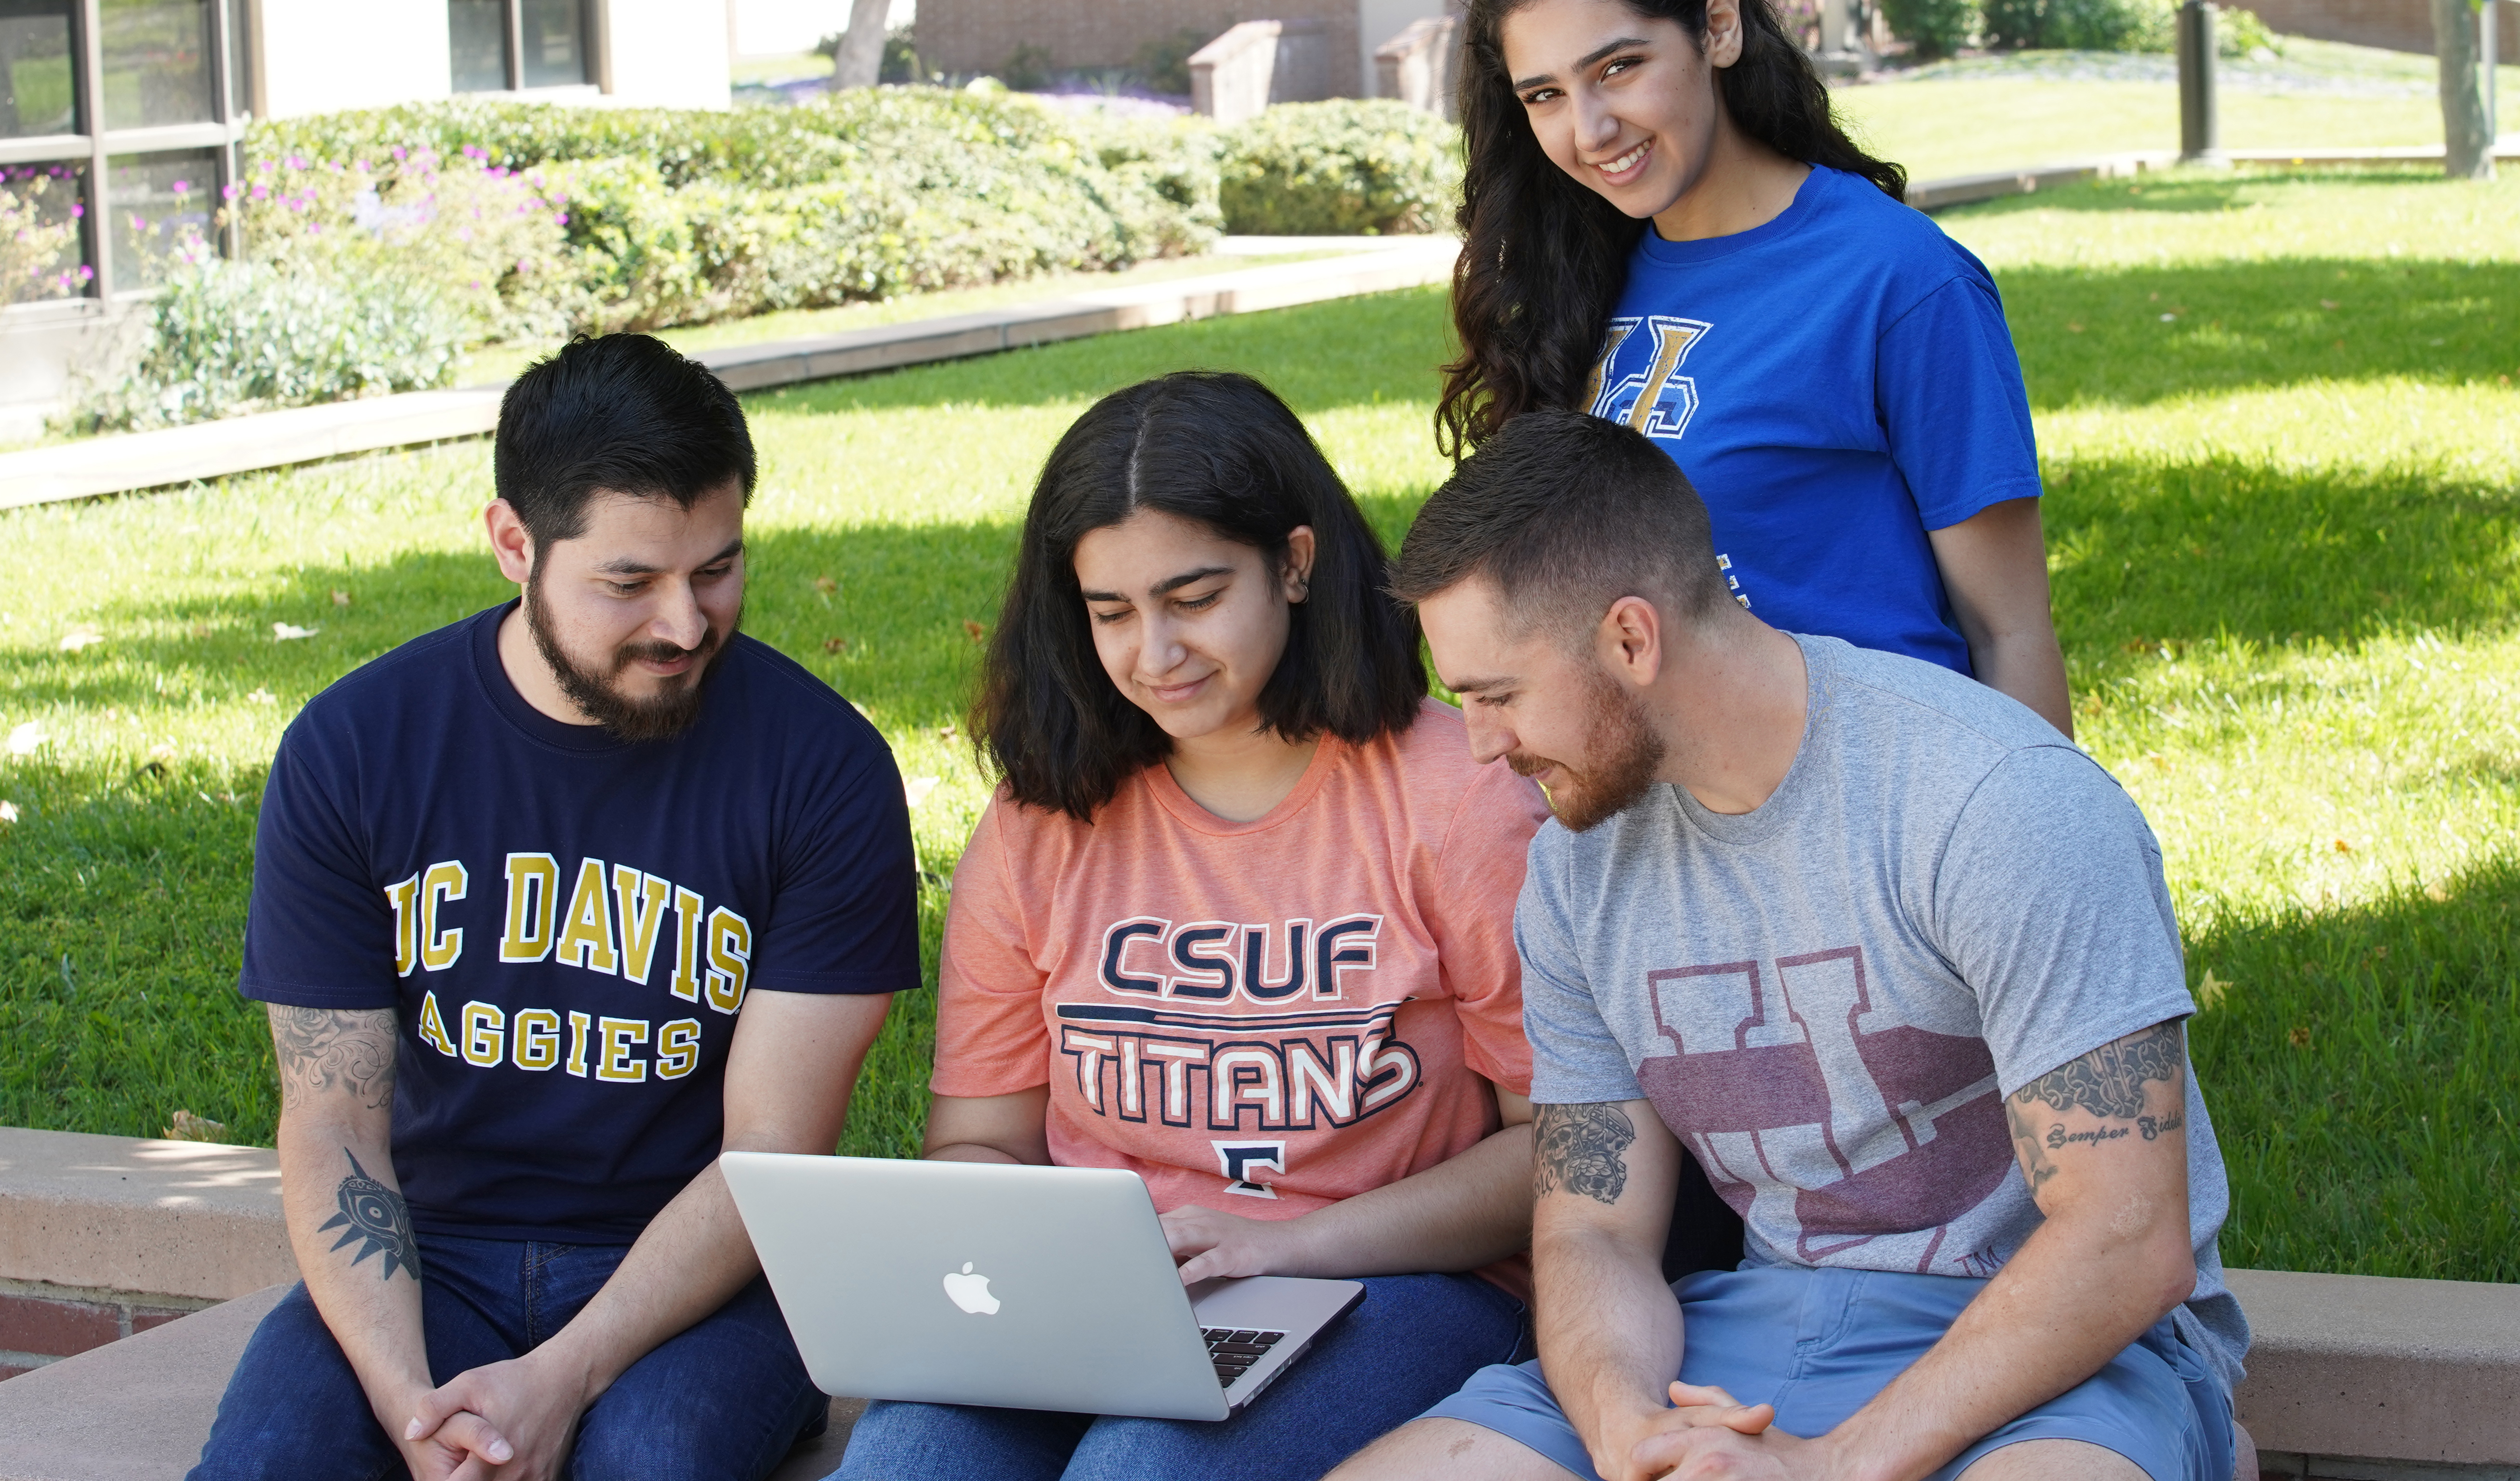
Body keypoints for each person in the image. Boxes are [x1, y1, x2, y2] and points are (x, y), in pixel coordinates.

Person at [1334, 409, 2250, 1481]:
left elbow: (2125, 1242)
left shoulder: (1994, 803)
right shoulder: (1579, 871)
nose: (1482, 745)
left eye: (1498, 696)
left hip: (2055, 1359)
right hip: (1753, 1329)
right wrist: (1630, 1427)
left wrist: (1834, 1467)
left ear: (1631, 639)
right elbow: (1595, 1230)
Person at [196, 333, 924, 1481]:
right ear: (513, 545)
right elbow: (333, 1121)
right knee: (273, 1463)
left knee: (647, 1461)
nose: (685, 624)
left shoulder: (822, 767)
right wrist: (406, 1404)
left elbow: (772, 1154)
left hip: (710, 1278)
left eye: (718, 568)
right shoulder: (356, 749)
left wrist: (561, 1380)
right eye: (629, 582)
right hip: (433, 1258)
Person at [836, 370, 1553, 1481]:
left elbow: (1560, 1145)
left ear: (1297, 562)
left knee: (1141, 1469)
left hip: (1398, 1283)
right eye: (1110, 611)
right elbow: (981, 1139)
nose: (1153, 652)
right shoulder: (1040, 822)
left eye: (1194, 595)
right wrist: (1065, 1270)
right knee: (905, 1465)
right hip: (1113, 1299)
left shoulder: (1457, 795)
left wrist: (1282, 1244)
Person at [1437, 0, 2071, 735]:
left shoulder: (1897, 279)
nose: (1588, 130)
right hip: (1669, 821)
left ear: (1719, 27)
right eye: (1544, 95)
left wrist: (2029, 853)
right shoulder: (1576, 277)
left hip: (1876, 803)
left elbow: (2009, 629)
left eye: (1618, 68)